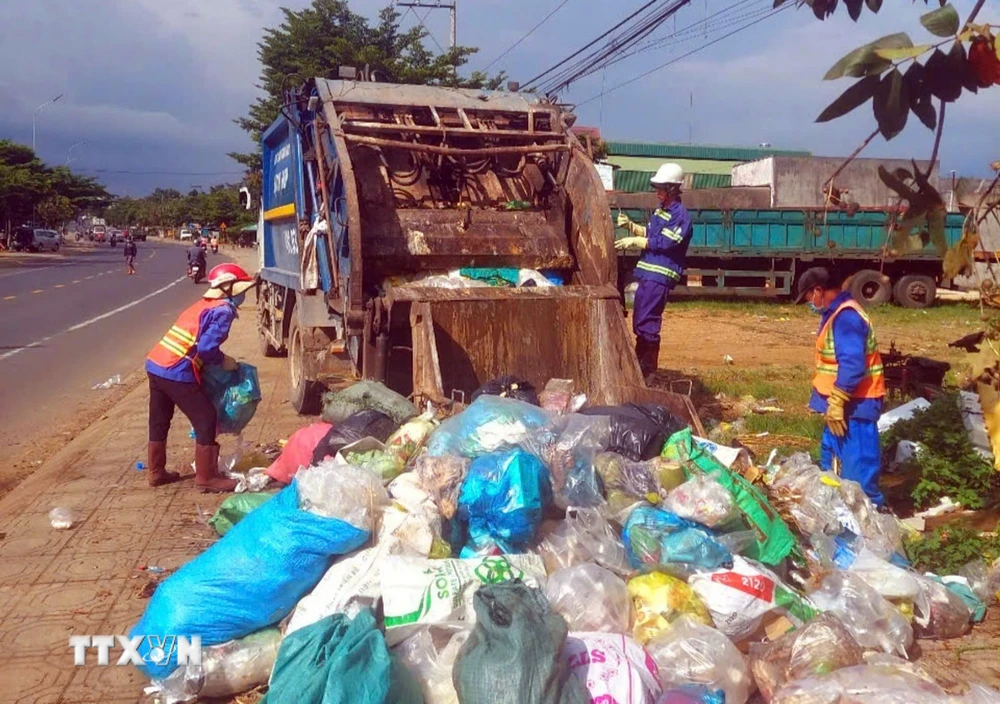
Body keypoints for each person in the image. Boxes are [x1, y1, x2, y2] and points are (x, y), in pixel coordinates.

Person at [145, 263, 257, 492]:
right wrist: (224, 361)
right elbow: (206, 349)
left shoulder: (203, 304)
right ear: (228, 288)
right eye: (242, 289)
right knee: (206, 418)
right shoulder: (223, 311)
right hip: (176, 369)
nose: (244, 294)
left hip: (156, 363)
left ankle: (156, 472)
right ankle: (206, 478)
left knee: (159, 419)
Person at [796, 266, 887, 509]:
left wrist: (837, 400)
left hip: (855, 407)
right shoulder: (836, 314)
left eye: (808, 297)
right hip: (842, 407)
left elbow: (853, 364)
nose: (809, 303)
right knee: (833, 470)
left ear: (818, 290)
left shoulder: (846, 317)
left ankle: (870, 525)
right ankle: (841, 518)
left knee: (857, 480)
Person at [614, 163, 693, 378]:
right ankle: (641, 366)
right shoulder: (661, 212)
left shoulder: (680, 216)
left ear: (673, 189)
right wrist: (631, 227)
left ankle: (648, 368)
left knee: (647, 322)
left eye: (661, 188)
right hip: (648, 275)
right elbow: (649, 232)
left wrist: (637, 241)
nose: (657, 192)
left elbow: (665, 242)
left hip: (660, 276)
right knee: (640, 320)